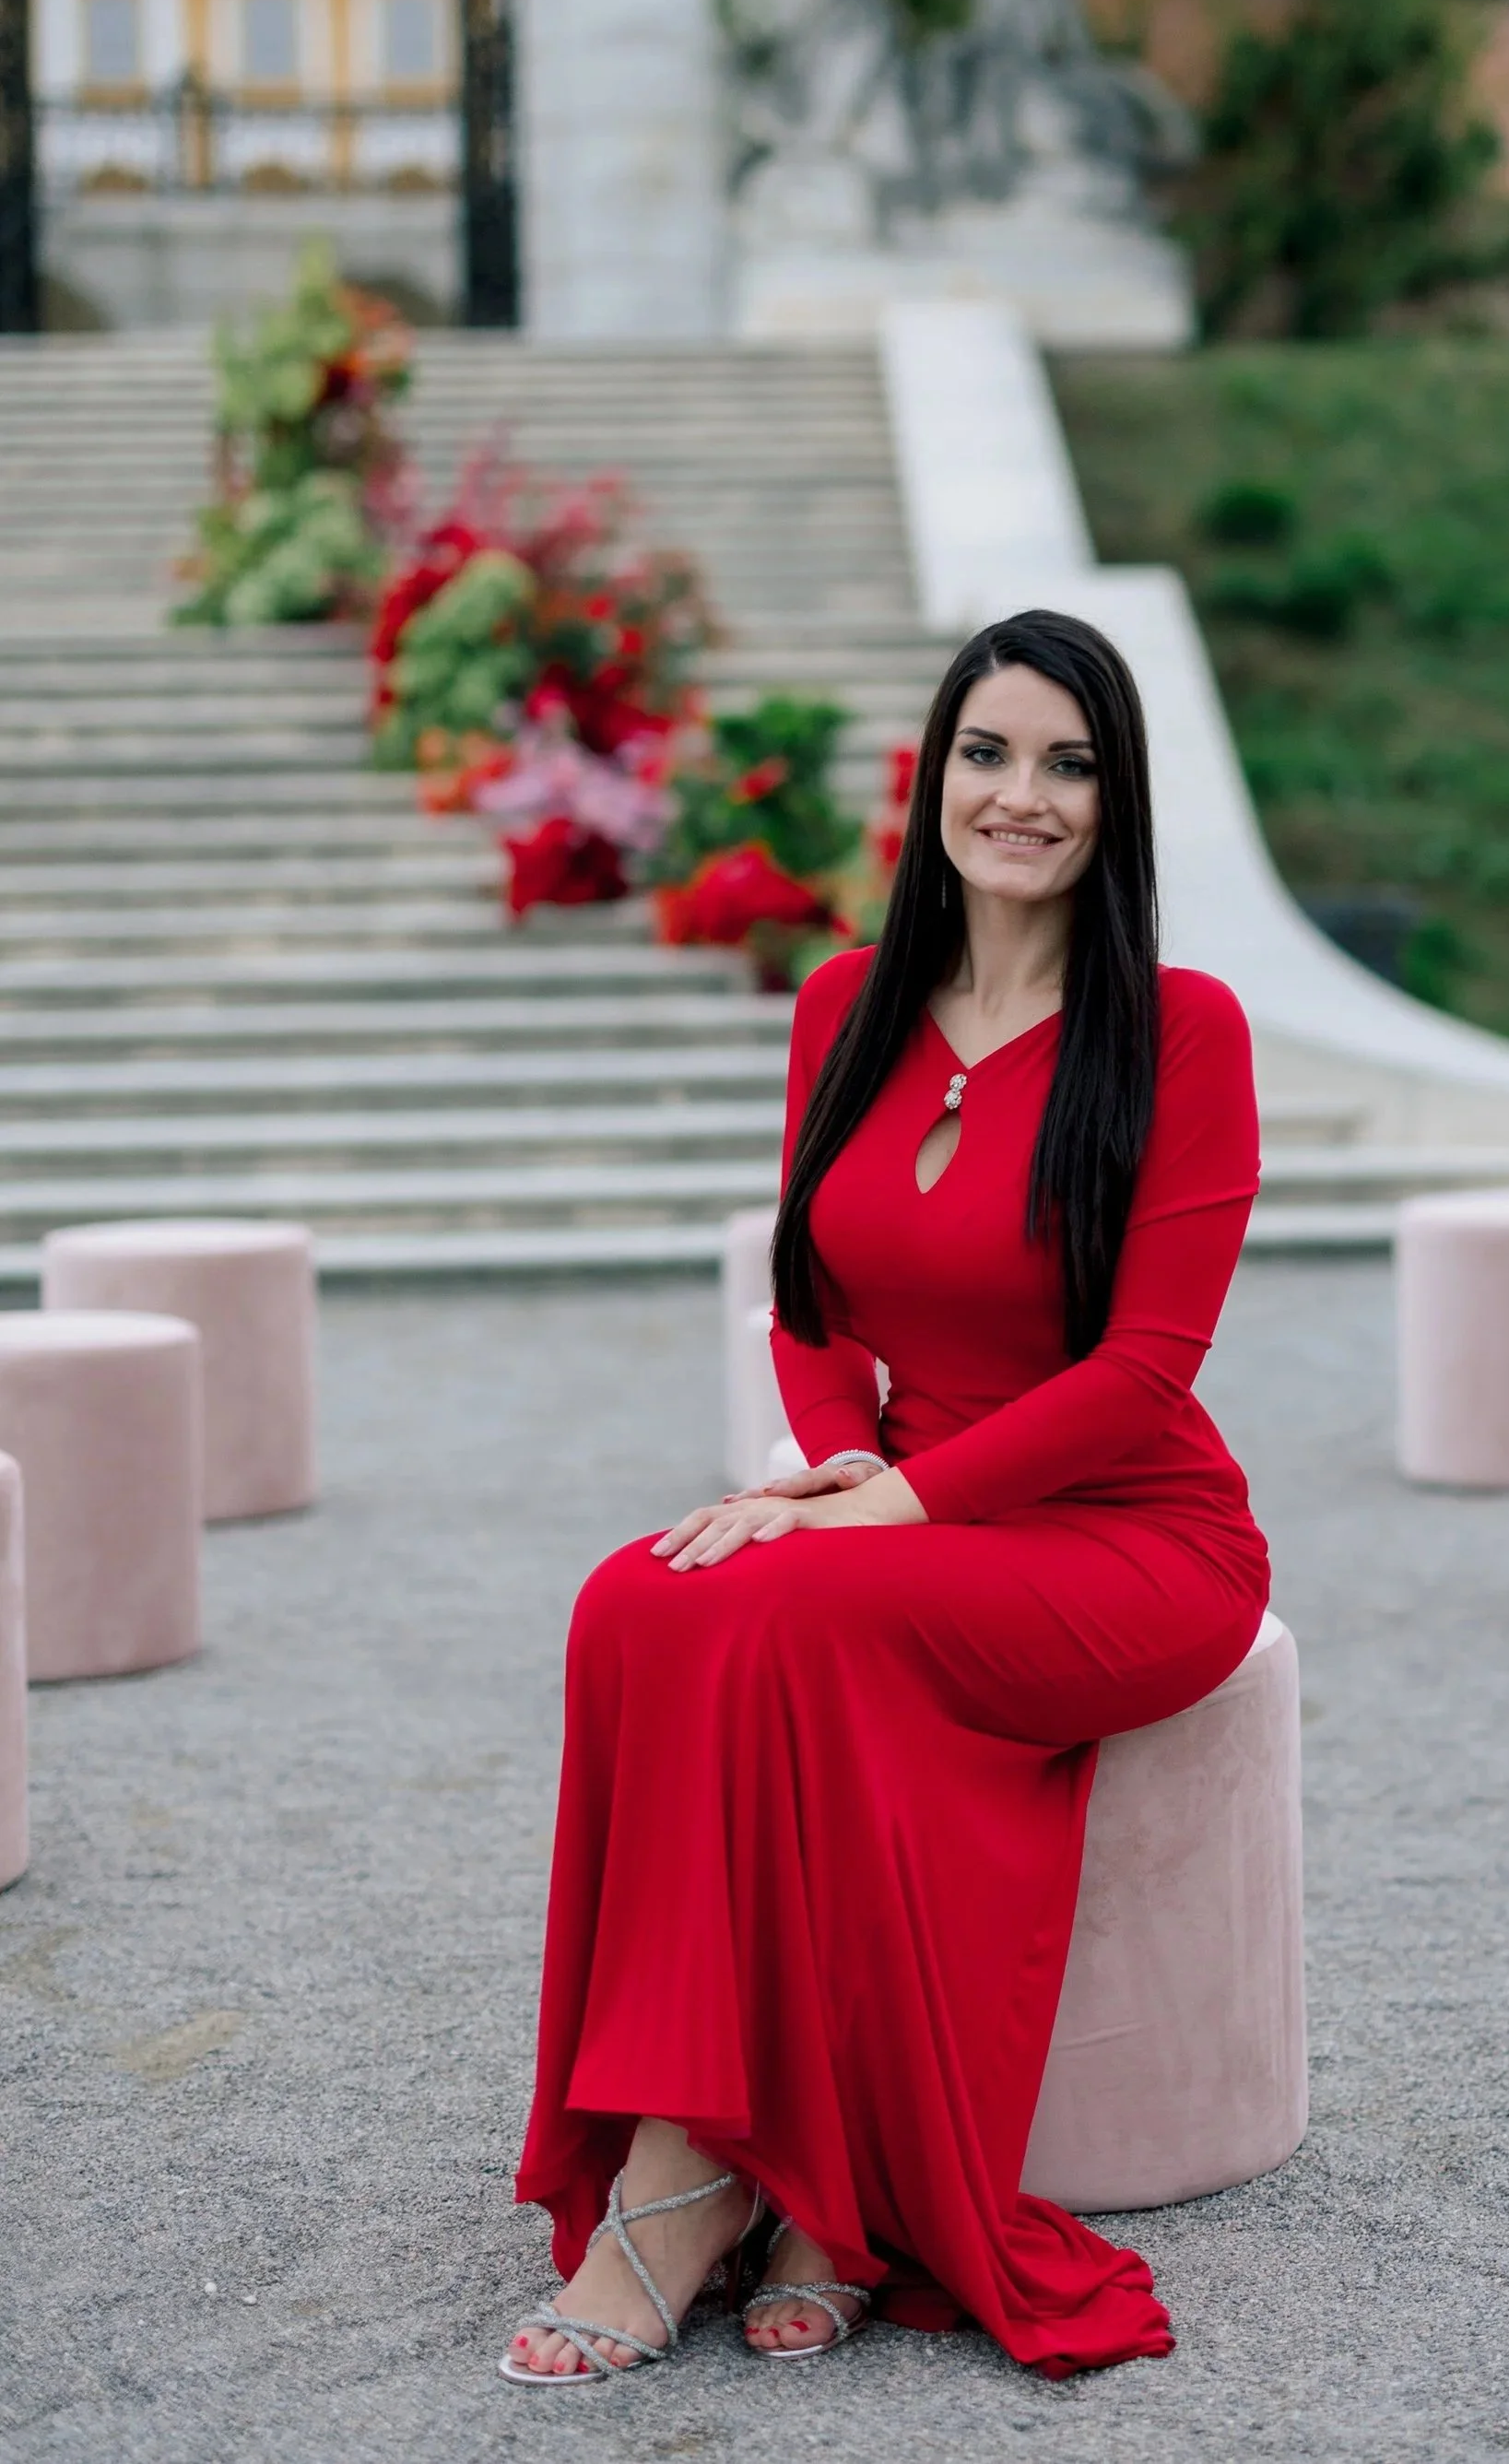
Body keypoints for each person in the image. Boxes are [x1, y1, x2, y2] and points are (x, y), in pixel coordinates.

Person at [501, 607, 1269, 2386]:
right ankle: (806, 2193)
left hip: (1133, 1533)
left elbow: (1141, 1374)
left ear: (1117, 798)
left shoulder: (1180, 1032)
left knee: (780, 1596)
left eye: (1070, 763)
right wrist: (840, 1458)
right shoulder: (847, 1001)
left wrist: (883, 1510)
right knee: (637, 1595)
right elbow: (814, 1303)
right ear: (934, 778)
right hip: (918, 1494)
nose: (1024, 795)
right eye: (989, 753)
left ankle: (685, 2170)